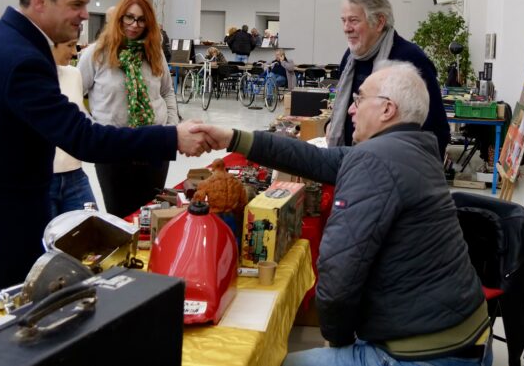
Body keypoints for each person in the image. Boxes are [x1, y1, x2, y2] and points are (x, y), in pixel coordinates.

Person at [0, 0, 210, 316]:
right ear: (40, 0)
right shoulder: (23, 58)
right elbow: (82, 137)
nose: (84, 15)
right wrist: (171, 137)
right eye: (76, 5)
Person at [194, 62, 488, 366]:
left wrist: (339, 341)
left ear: (387, 109)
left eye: (360, 99)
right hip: (462, 337)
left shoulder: (375, 161)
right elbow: (312, 159)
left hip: (421, 354)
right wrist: (233, 138)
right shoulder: (413, 149)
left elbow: (337, 275)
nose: (350, 109)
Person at [78, 0, 179, 218]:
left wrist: (170, 128)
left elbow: (167, 91)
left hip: (154, 145)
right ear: (119, 17)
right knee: (120, 217)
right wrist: (93, 130)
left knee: (151, 216)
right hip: (113, 149)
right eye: (129, 17)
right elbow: (74, 96)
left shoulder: (154, 53)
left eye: (141, 20)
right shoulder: (96, 54)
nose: (135, 25)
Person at [328, 0, 450, 155]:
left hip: (391, 162)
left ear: (379, 22)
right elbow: (344, 110)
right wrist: (330, 125)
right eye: (344, 21)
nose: (346, 28)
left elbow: (436, 128)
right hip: (350, 159)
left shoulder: (410, 59)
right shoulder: (350, 58)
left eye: (354, 20)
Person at [49, 38, 96, 218]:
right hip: (42, 179)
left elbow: (81, 117)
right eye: (69, 45)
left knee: (92, 231)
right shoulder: (30, 79)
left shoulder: (74, 74)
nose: (75, 52)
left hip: (75, 175)